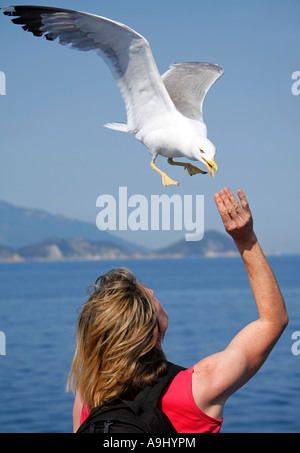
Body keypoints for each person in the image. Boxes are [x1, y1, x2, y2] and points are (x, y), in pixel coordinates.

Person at [68, 188, 288, 433]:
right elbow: (273, 321)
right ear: (151, 331)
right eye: (150, 297)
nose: (152, 289)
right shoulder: (200, 387)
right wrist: (246, 239)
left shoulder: (88, 396)